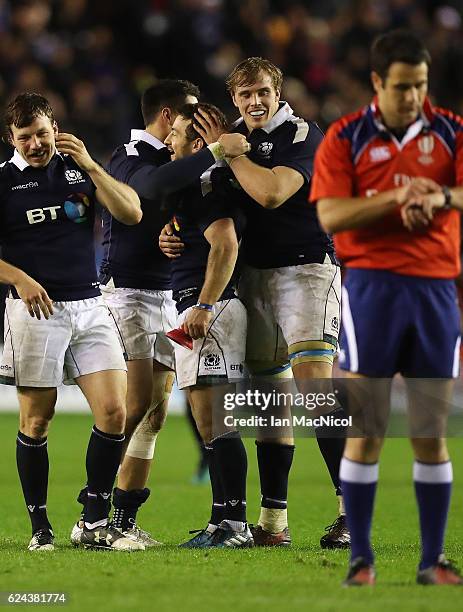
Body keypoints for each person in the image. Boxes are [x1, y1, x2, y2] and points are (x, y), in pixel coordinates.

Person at [311, 30, 463, 586]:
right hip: (372, 289)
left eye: (420, 86)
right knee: (369, 426)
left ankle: (433, 562)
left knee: (430, 430)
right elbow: (330, 215)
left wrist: (438, 195)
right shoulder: (346, 138)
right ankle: (362, 558)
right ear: (378, 83)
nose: (413, 97)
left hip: (435, 290)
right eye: (402, 87)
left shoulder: (450, 130)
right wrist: (396, 197)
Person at [0, 92, 143, 551]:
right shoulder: (3, 182)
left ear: (54, 128)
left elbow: (132, 212)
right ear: (11, 139)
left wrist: (93, 166)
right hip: (35, 310)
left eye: (42, 133)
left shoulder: (77, 170)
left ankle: (94, 521)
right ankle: (40, 526)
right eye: (26, 138)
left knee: (115, 411)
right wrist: (19, 279)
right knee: (37, 420)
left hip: (90, 304)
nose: (36, 144)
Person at [213, 58, 347, 548]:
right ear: (234, 98)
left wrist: (233, 156)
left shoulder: (301, 134)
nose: (255, 101)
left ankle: (350, 512)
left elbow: (271, 193)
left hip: (307, 268)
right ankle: (273, 525)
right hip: (251, 275)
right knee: (269, 401)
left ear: (278, 92)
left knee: (315, 389)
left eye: (263, 92)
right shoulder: (229, 137)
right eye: (245, 94)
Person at [70, 80, 201, 548]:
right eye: (191, 114)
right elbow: (140, 206)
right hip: (128, 293)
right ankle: (92, 513)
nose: (198, 123)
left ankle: (123, 520)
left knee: (156, 412)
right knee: (134, 402)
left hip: (169, 296)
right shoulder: (128, 157)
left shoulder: (178, 160)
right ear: (169, 115)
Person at [162, 102, 252, 548]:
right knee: (208, 421)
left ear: (198, 143)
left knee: (216, 421)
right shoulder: (195, 188)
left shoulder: (207, 185)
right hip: (205, 309)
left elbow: (226, 244)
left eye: (176, 133)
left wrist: (203, 304)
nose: (168, 139)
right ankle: (223, 521)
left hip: (209, 311)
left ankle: (234, 524)